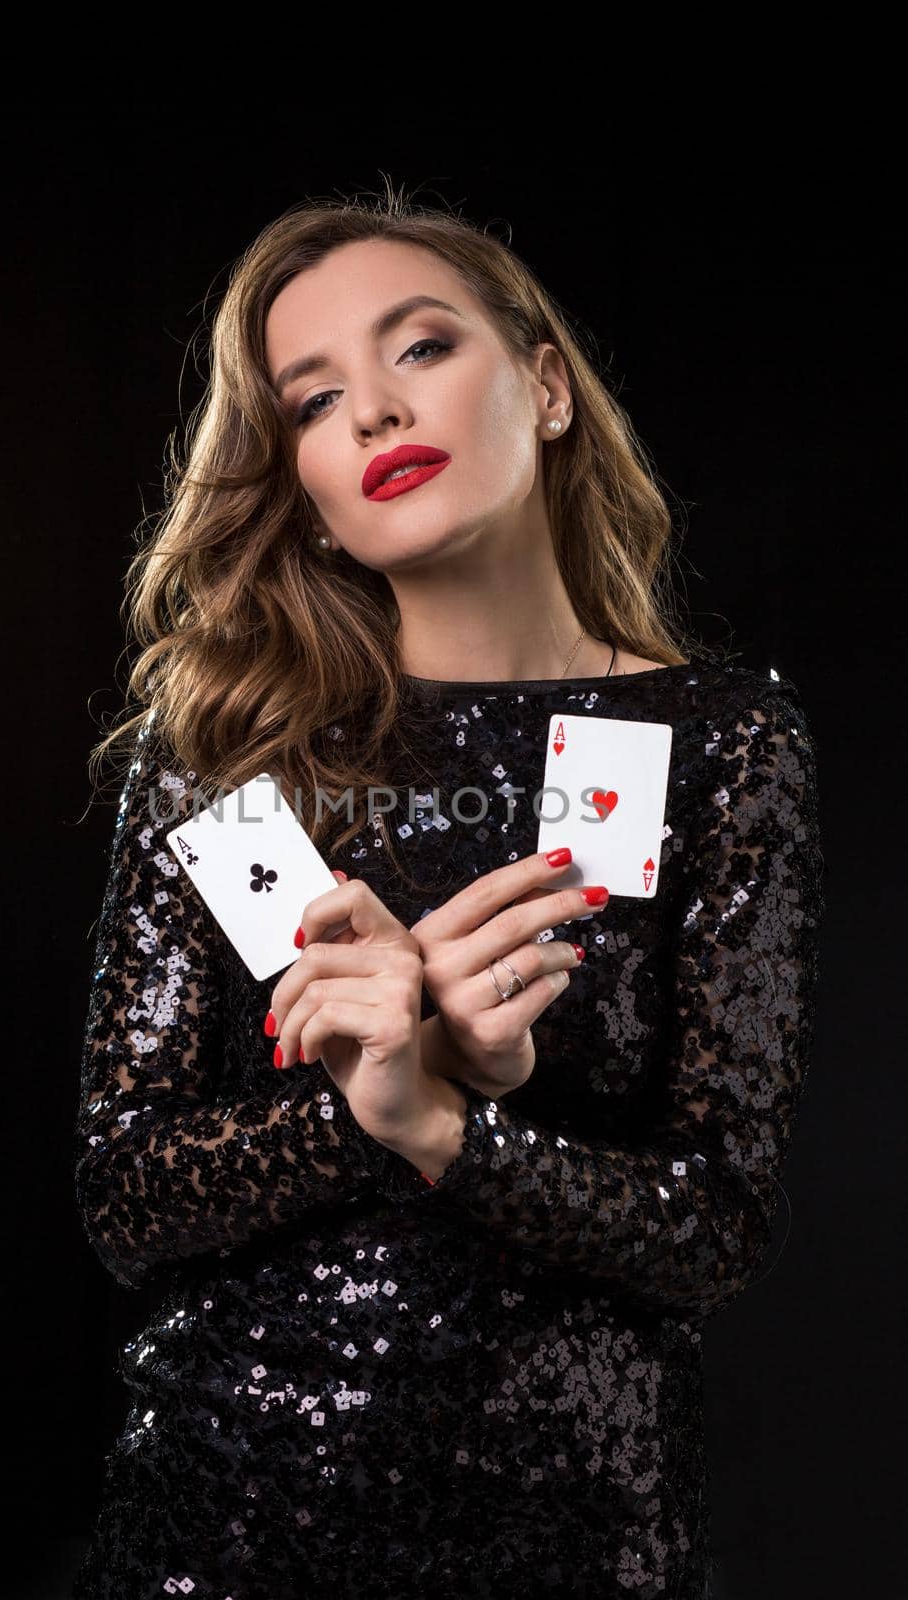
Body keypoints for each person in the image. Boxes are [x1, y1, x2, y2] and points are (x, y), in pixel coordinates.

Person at [71, 182, 825, 1600]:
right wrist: (359, 1105)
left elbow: (712, 1226)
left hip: (578, 1544)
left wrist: (448, 1127)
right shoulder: (243, 762)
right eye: (310, 400)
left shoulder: (693, 741)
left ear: (544, 386)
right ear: (295, 478)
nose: (369, 412)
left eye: (419, 348)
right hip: (229, 1530)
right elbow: (131, 1199)